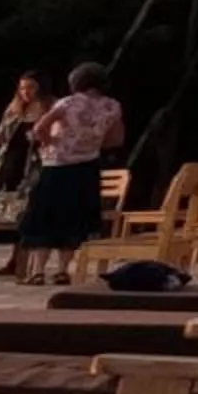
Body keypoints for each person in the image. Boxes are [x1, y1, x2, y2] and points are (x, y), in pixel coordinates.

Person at [22, 61, 126, 287]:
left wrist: (50, 144)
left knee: (45, 217)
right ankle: (62, 270)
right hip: (87, 167)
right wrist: (92, 144)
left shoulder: (68, 102)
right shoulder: (112, 106)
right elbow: (117, 139)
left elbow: (40, 128)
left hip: (57, 166)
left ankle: (38, 270)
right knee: (74, 220)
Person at [0, 73, 47, 276]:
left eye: (31, 88)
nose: (26, 92)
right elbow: (3, 134)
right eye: (22, 88)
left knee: (22, 210)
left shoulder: (46, 109)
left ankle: (16, 259)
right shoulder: (13, 108)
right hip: (7, 162)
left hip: (31, 164)